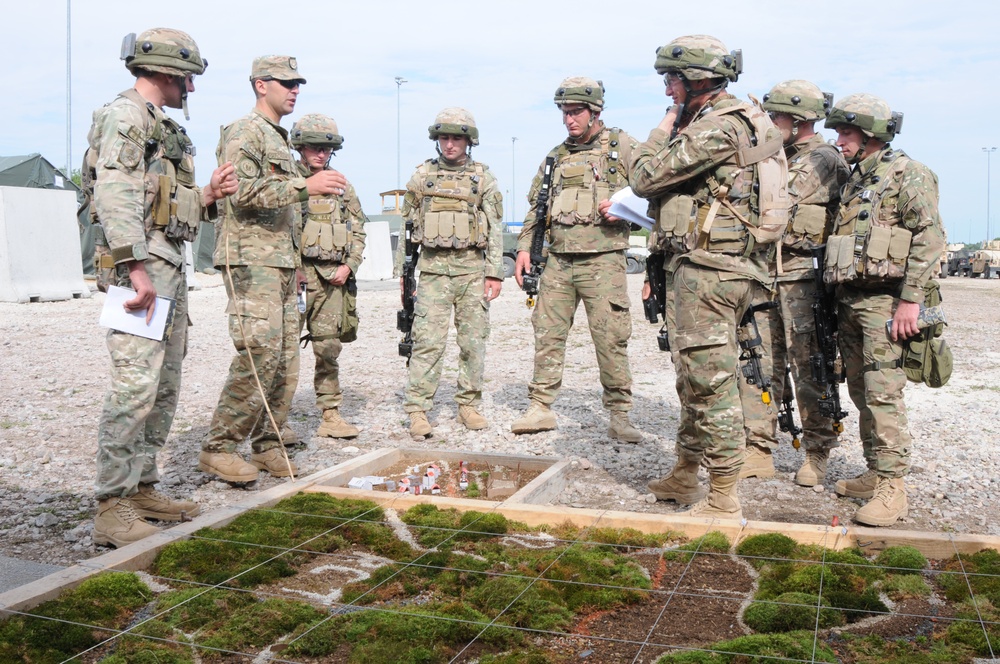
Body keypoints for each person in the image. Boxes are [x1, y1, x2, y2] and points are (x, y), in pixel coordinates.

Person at [630, 36, 791, 518]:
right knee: (693, 377)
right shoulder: (744, 119)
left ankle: (722, 497)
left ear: (698, 79)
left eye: (671, 82)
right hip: (728, 268)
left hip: (710, 272)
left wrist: (664, 125)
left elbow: (643, 177)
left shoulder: (715, 128)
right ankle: (685, 473)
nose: (666, 93)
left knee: (711, 383)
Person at [89, 28, 237, 547]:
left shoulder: (159, 126)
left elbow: (168, 206)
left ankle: (141, 485)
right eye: (187, 79)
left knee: (164, 385)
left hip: (167, 267)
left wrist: (209, 195)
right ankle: (111, 505)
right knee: (134, 387)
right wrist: (135, 269)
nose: (190, 90)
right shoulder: (125, 117)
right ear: (166, 72)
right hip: (141, 275)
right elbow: (115, 194)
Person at [199, 55, 347, 483]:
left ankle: (266, 443)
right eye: (285, 82)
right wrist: (305, 184)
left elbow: (283, 209)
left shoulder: (277, 137)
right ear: (261, 85)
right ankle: (219, 447)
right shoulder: (244, 131)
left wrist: (297, 262)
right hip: (250, 259)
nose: (294, 90)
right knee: (259, 354)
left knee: (285, 360)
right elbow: (238, 191)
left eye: (297, 83)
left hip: (281, 262)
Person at [823, 93, 944, 526]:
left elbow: (930, 238)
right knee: (859, 390)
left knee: (883, 393)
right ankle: (876, 472)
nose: (839, 139)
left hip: (888, 303)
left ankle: (894, 487)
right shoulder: (857, 180)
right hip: (852, 300)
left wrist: (911, 300)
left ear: (871, 133)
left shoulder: (909, 175)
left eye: (846, 131)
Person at [511, 77, 641, 443]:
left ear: (595, 111)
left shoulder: (622, 147)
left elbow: (654, 190)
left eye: (576, 112)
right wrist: (524, 248)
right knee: (548, 334)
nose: (570, 120)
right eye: (565, 113)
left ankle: (620, 414)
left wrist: (626, 210)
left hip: (604, 260)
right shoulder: (555, 157)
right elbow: (537, 209)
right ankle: (540, 407)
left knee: (610, 337)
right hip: (558, 261)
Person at [739, 81, 850, 484]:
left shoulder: (822, 159)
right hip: (766, 275)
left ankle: (817, 451)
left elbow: (774, 194)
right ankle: (758, 447)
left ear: (800, 120)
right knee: (759, 363)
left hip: (804, 279)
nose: (770, 123)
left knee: (810, 366)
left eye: (776, 117)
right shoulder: (779, 156)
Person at [396, 108, 504, 439]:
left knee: (473, 342)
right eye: (444, 137)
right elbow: (407, 225)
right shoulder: (422, 177)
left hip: (471, 270)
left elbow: (496, 227)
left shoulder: (483, 178)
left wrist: (494, 272)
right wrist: (403, 272)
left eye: (457, 137)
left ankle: (468, 405)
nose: (450, 144)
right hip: (432, 272)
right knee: (427, 342)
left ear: (469, 141)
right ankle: (418, 410)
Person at [290, 113, 367, 439]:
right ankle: (274, 422)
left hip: (331, 278)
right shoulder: (288, 180)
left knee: (328, 349)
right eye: (313, 147)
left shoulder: (340, 184)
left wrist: (349, 265)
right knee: (282, 352)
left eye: (326, 148)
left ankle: (331, 414)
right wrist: (292, 269)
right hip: (295, 278)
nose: (320, 154)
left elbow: (358, 228)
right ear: (300, 147)